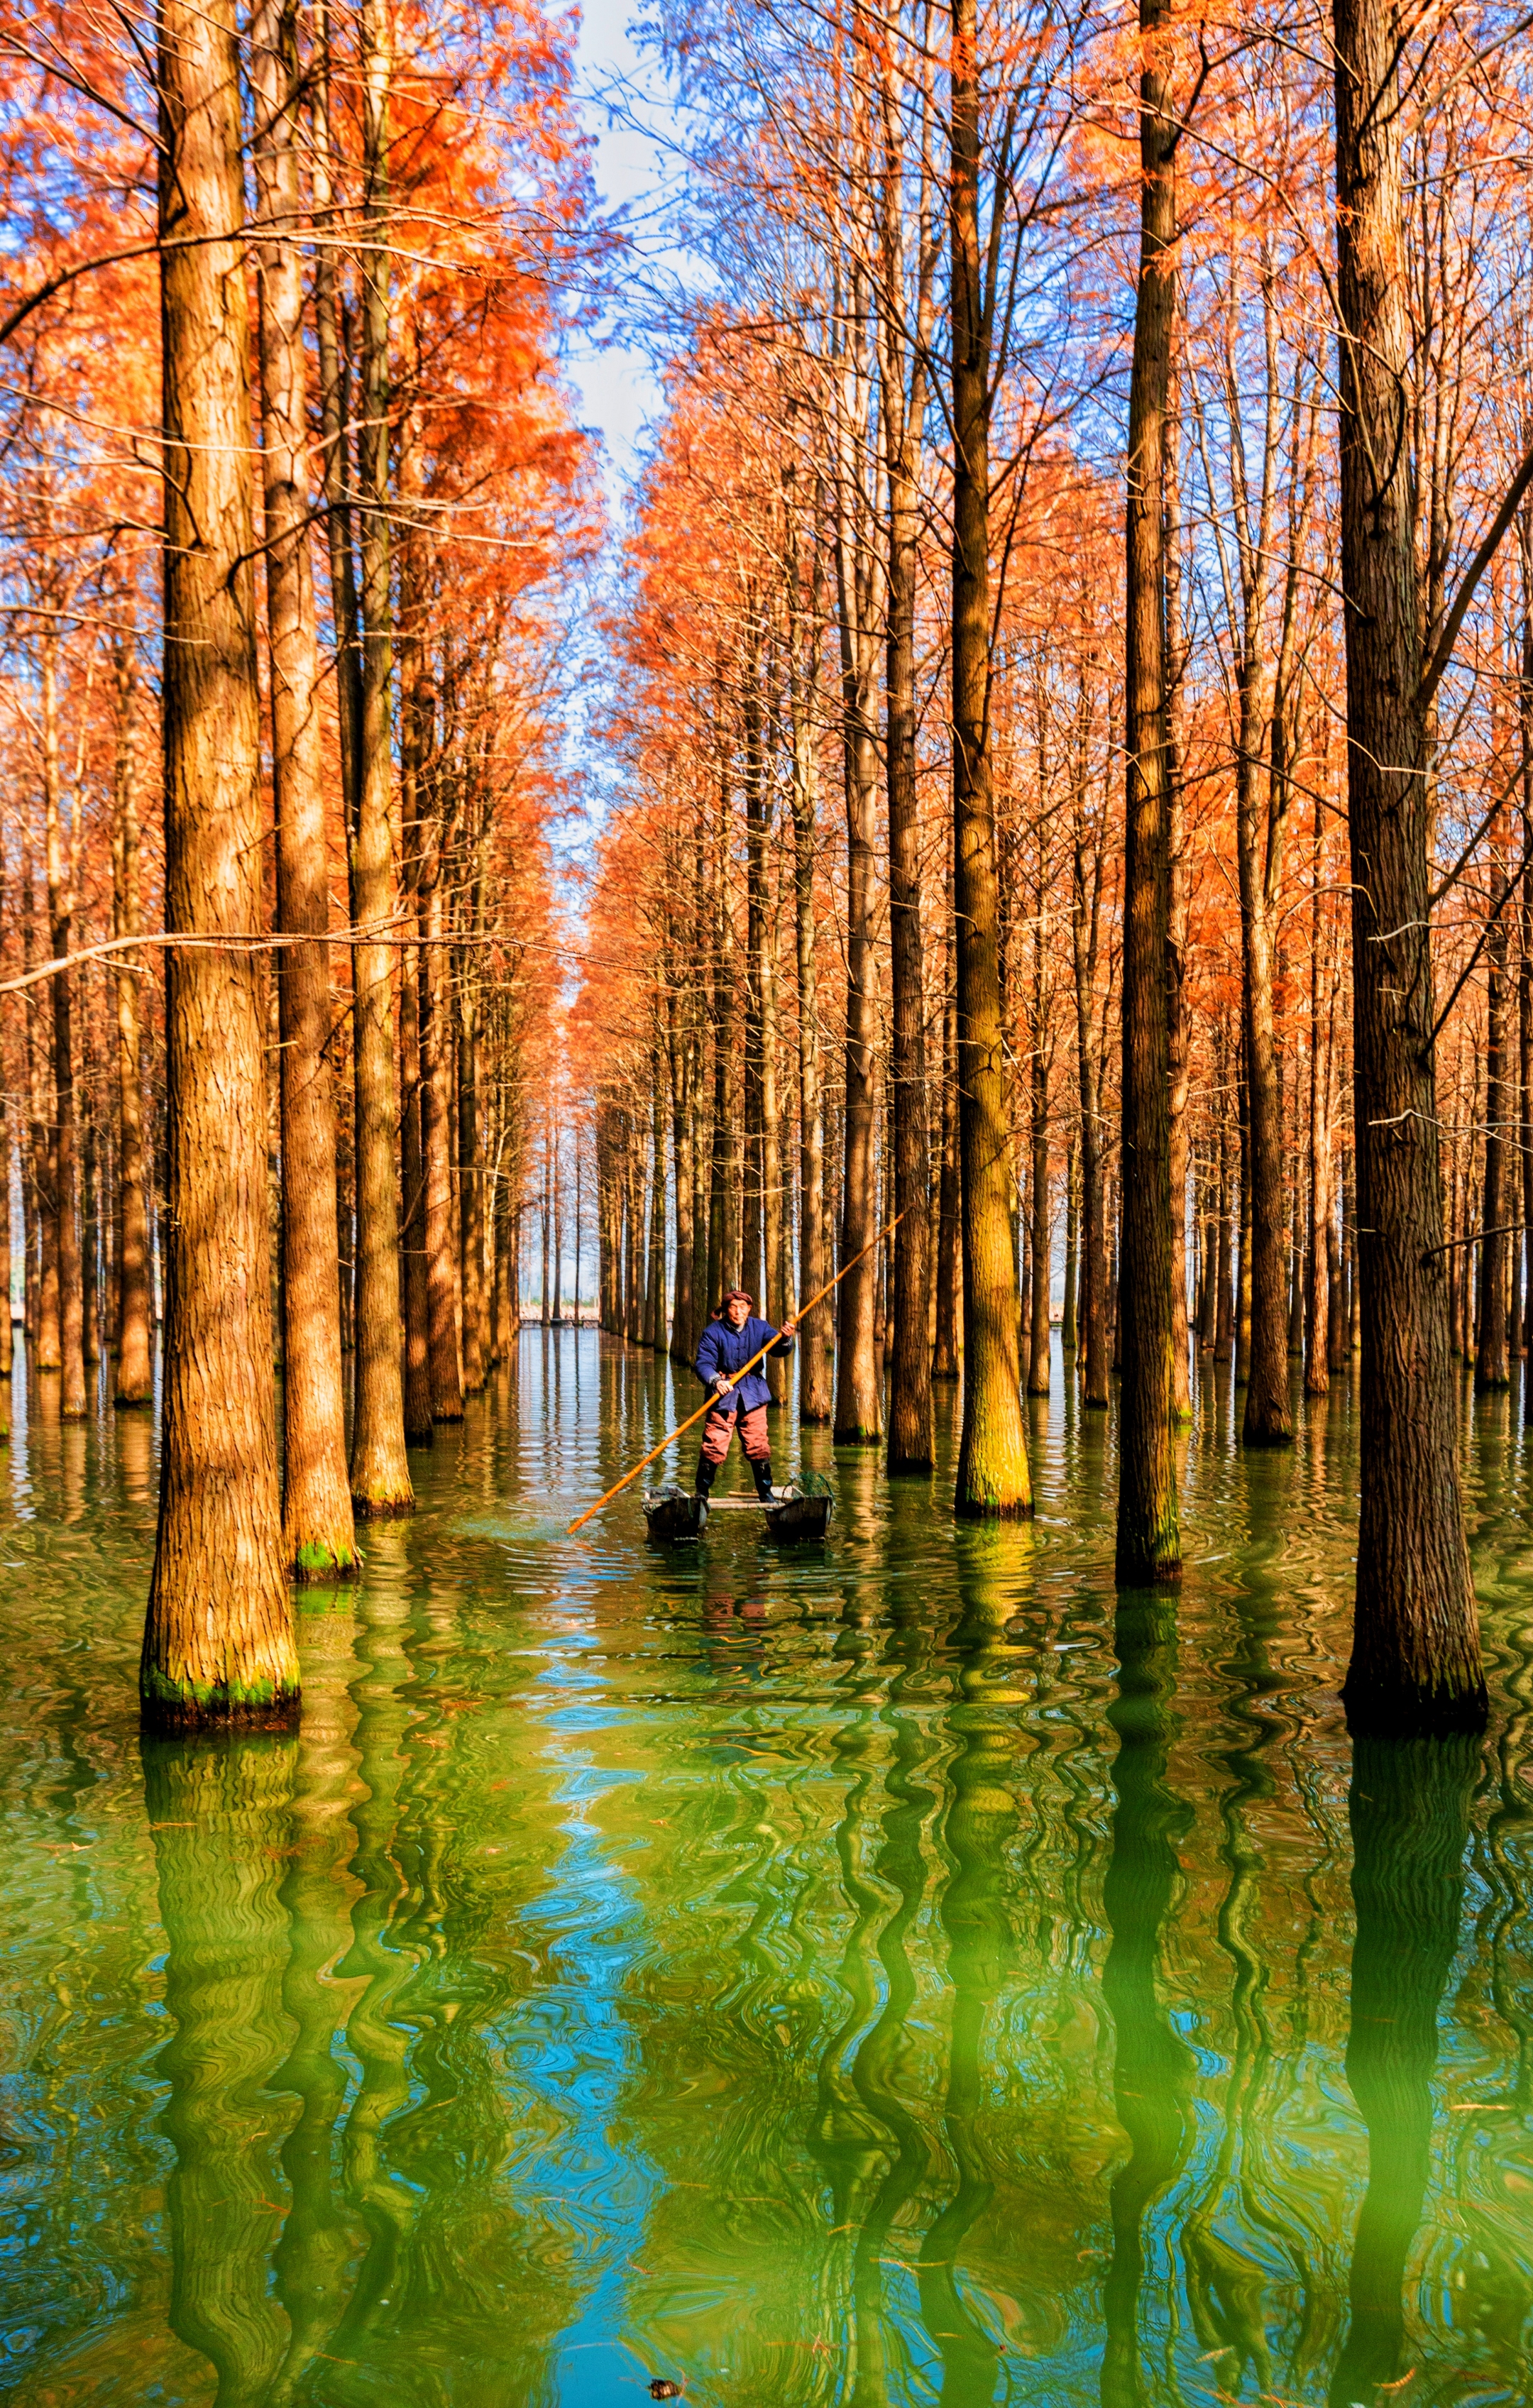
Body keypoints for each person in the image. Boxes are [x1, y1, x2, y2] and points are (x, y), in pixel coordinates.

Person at [694, 1288, 797, 1501]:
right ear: (725, 1310)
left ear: (749, 1309)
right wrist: (716, 1381)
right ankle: (701, 1493)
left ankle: (765, 1492)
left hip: (754, 1394)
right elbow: (703, 1363)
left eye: (742, 1307)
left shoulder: (760, 1327)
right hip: (723, 1395)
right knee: (714, 1443)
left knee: (758, 1443)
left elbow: (778, 1349)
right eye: (733, 1307)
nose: (738, 1312)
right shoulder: (712, 1333)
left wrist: (786, 1338)